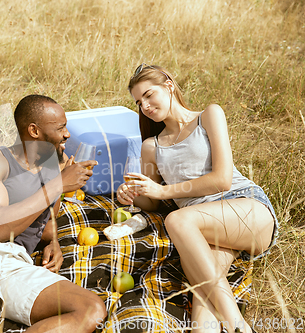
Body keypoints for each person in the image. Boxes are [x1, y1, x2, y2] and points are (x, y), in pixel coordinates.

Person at [117, 64, 278, 333]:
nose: (144, 105)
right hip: (203, 230)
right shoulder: (151, 146)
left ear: (169, 86)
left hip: (246, 210)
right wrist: (132, 194)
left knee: (177, 220)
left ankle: (238, 326)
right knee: (203, 299)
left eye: (148, 95)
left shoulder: (209, 116)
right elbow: (151, 203)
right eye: (138, 102)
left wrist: (165, 192)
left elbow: (221, 179)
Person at [0, 95, 106, 333]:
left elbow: (45, 224)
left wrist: (53, 241)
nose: (67, 135)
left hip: (17, 260)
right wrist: (57, 185)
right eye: (60, 128)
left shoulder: (54, 165)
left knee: (91, 309)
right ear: (34, 130)